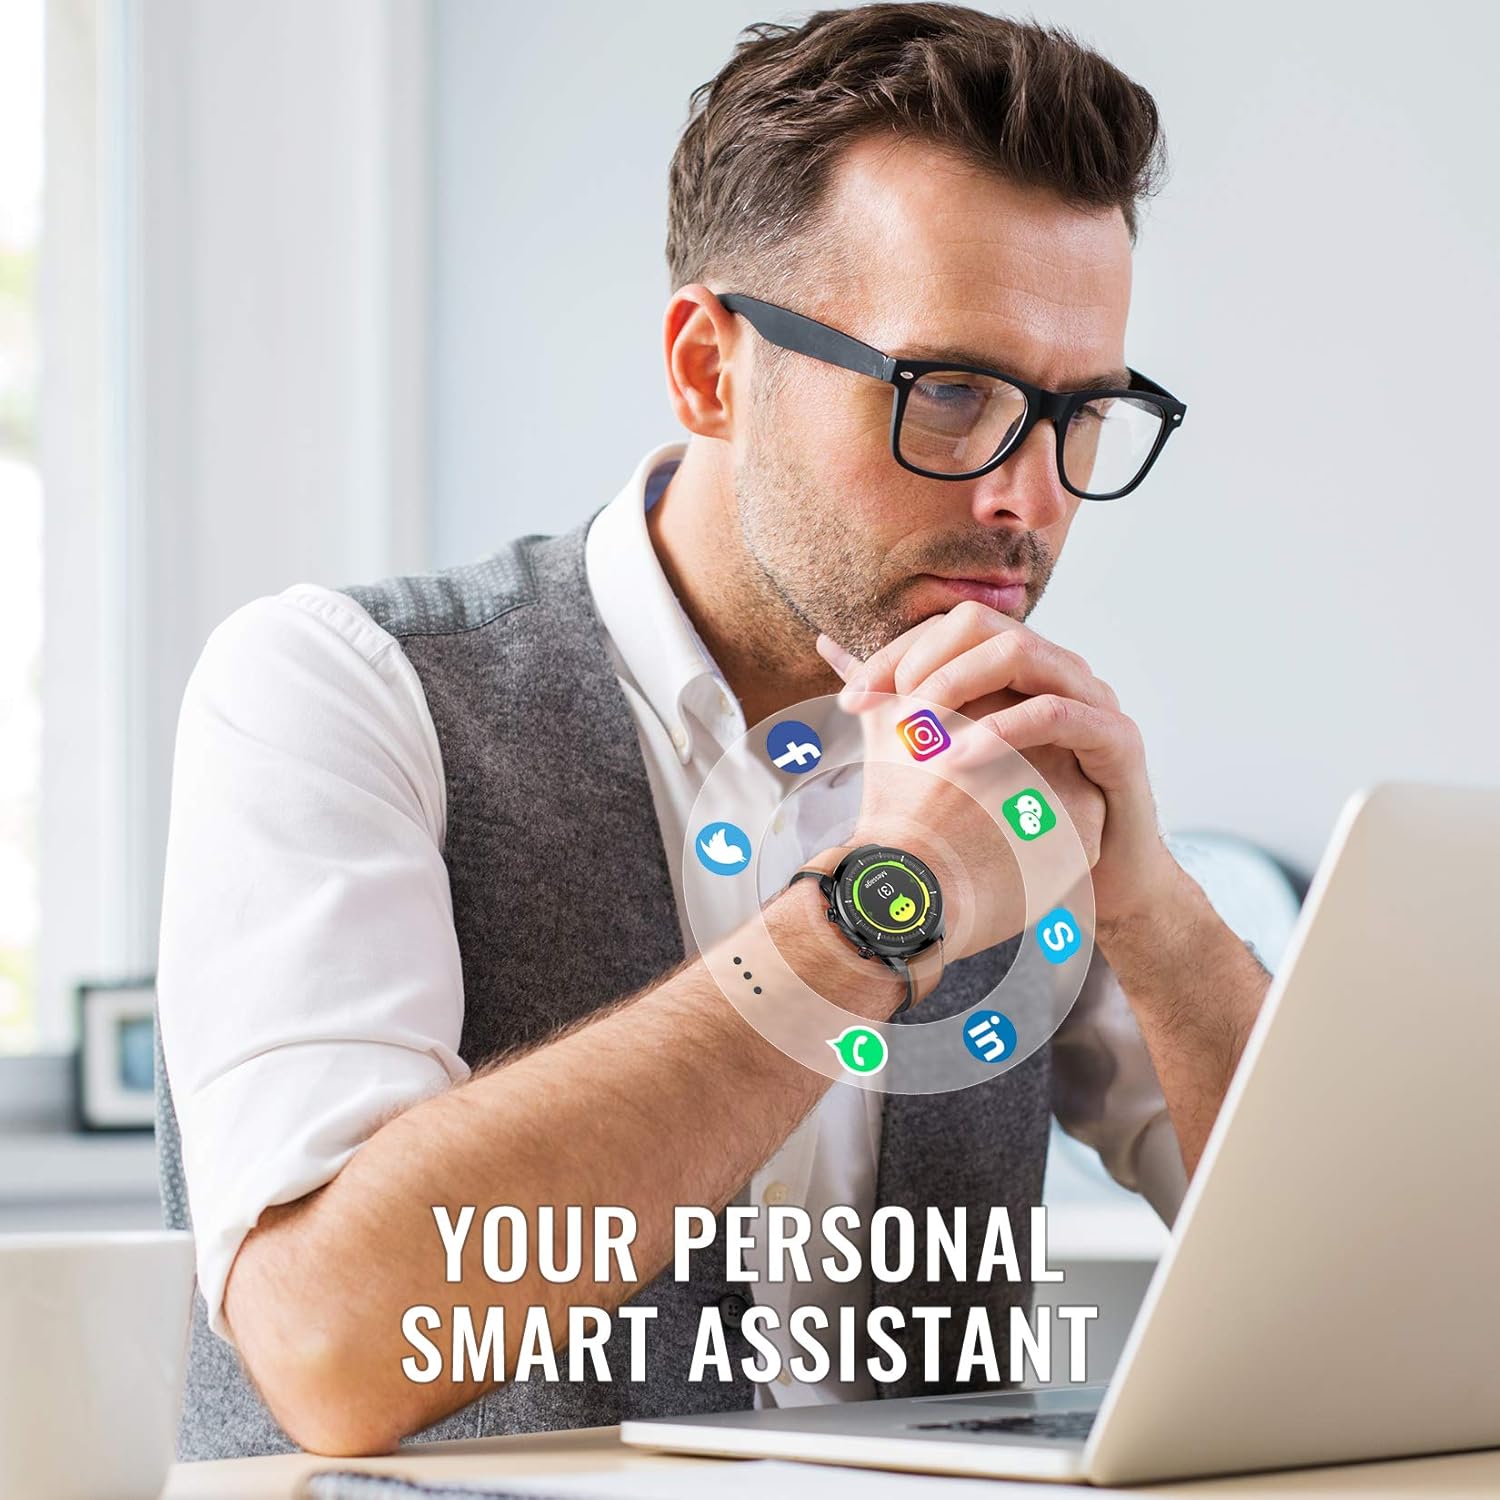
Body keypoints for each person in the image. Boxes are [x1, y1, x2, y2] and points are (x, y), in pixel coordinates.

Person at [156, 1, 1270, 1460]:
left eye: (1080, 412)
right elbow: (329, 1342)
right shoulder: (334, 689)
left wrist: (1150, 906)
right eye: (950, 396)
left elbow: (1385, 1267)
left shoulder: (1006, 753)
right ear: (707, 369)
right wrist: (883, 908)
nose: (1028, 498)